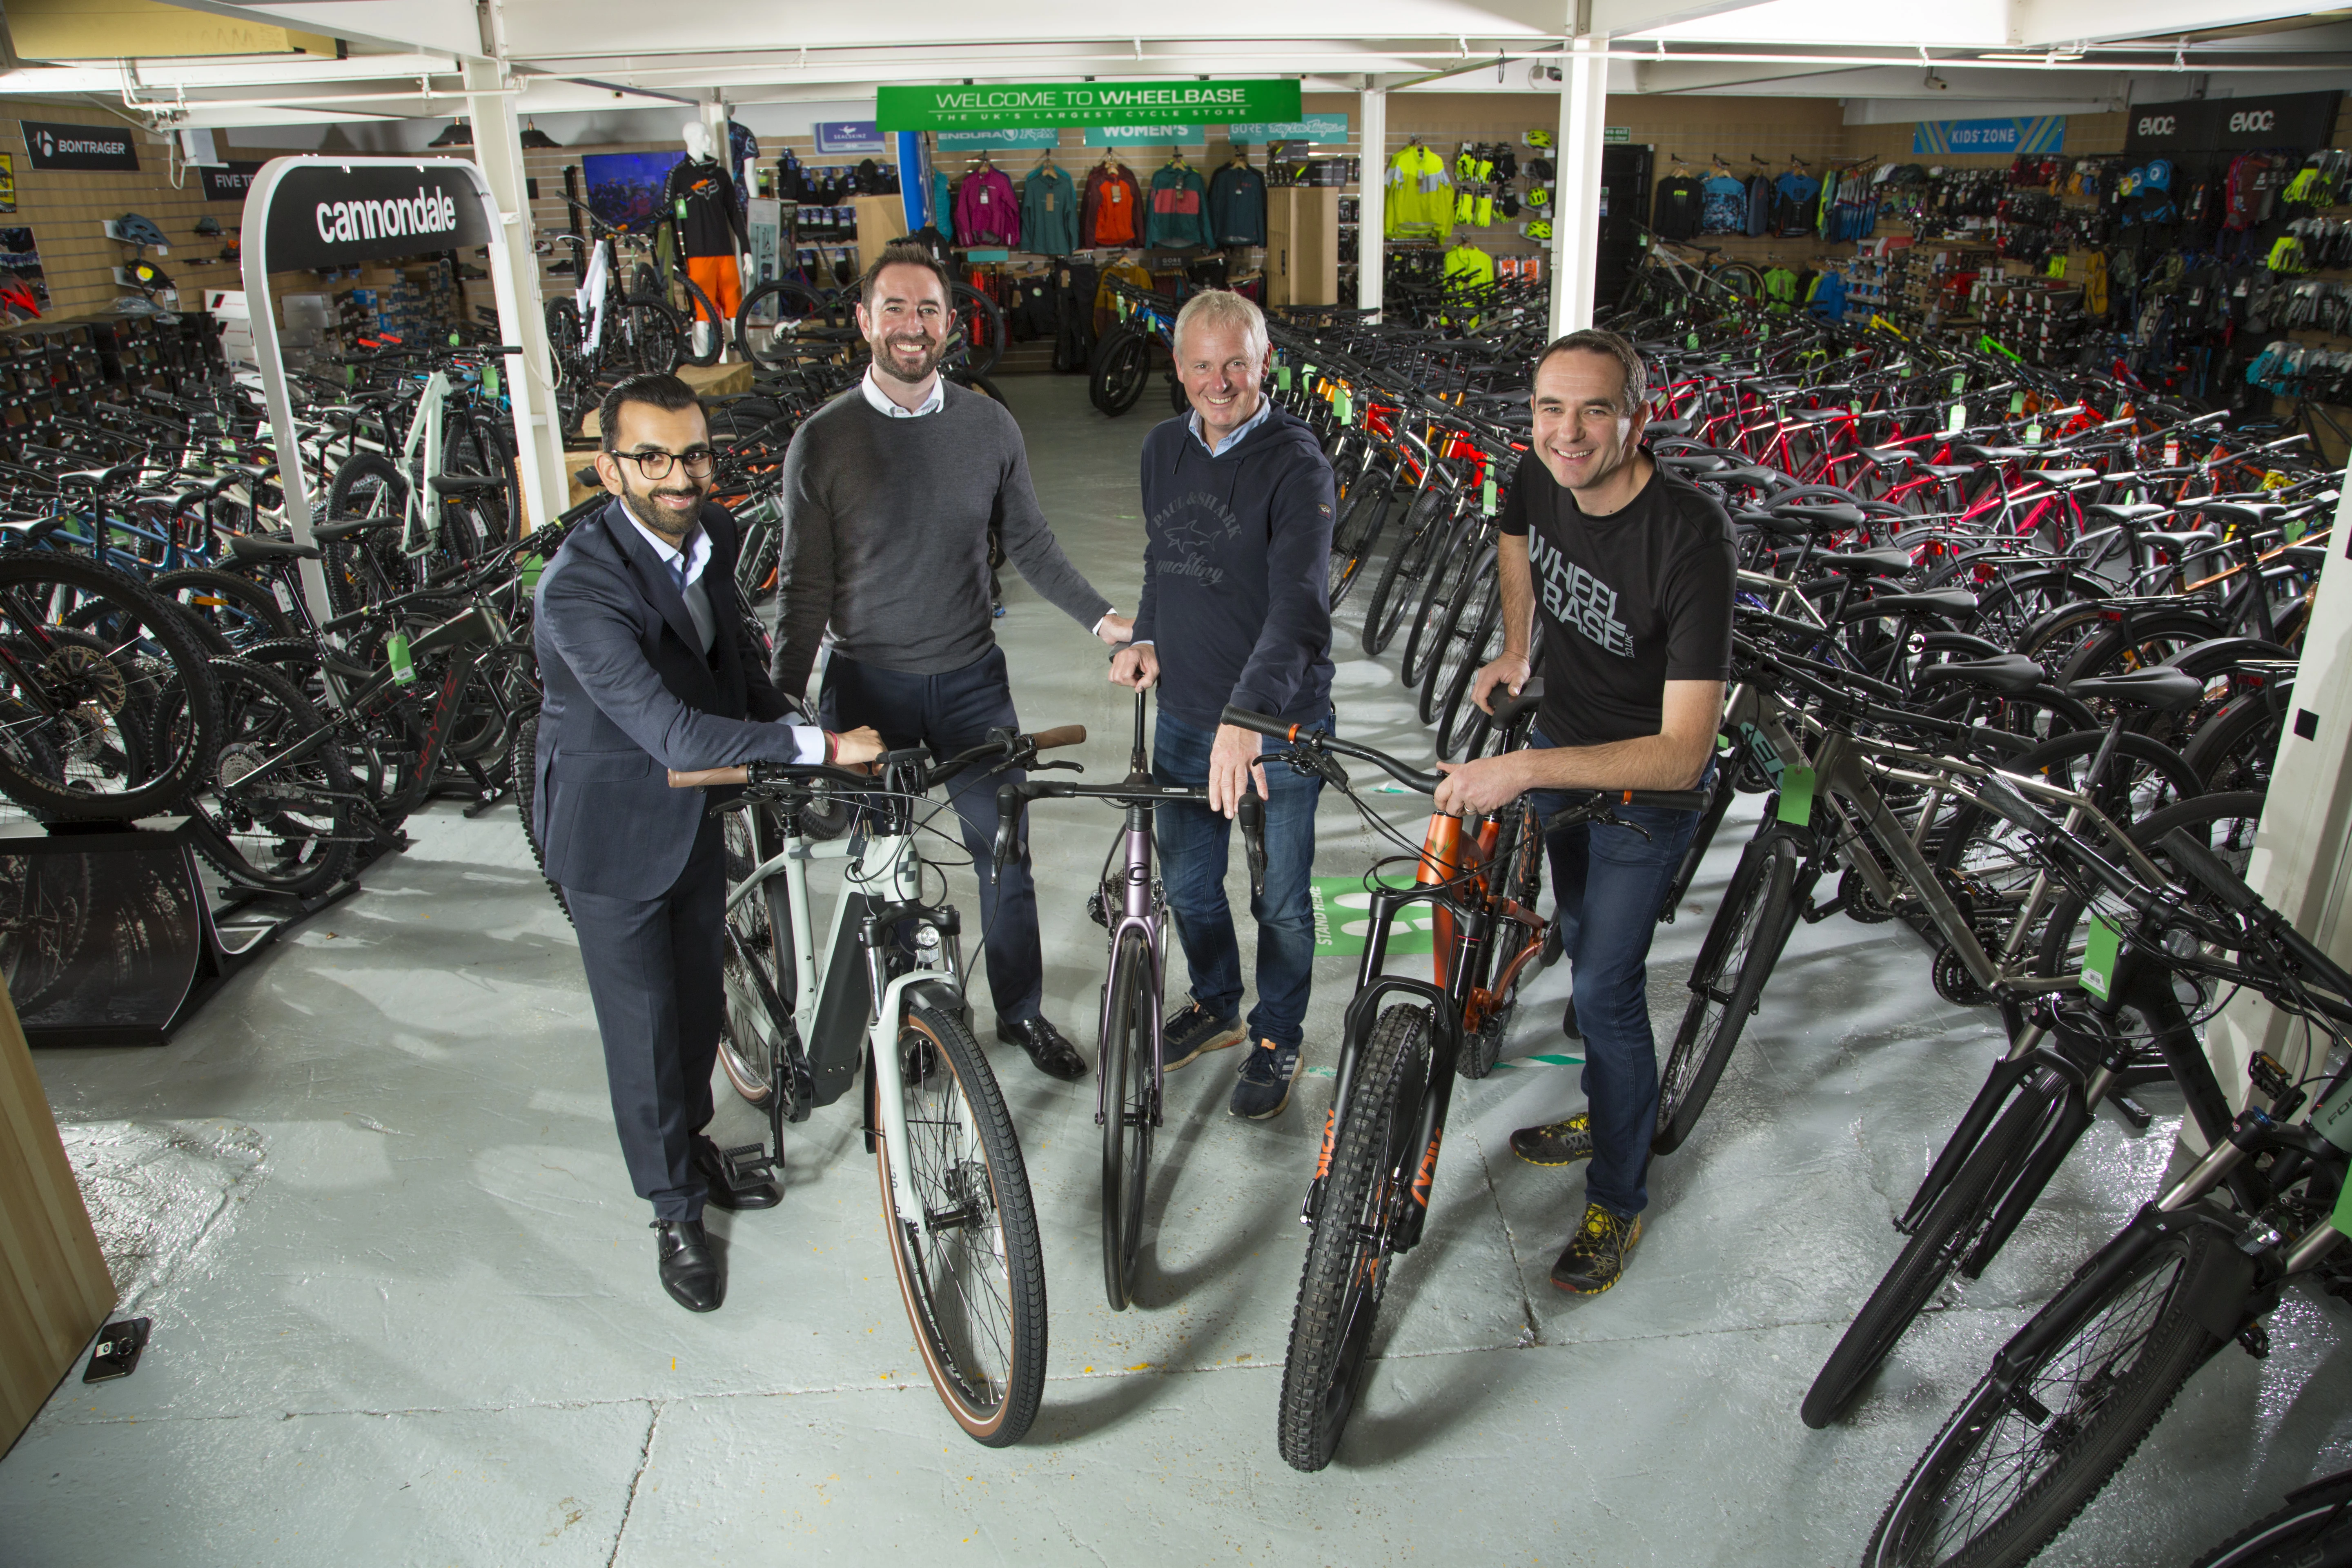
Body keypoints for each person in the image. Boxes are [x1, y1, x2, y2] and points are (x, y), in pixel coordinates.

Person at [534, 372, 884, 1315]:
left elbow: (729, 666)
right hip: (614, 828)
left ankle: (690, 1150)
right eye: (650, 457)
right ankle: (672, 1209)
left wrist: (796, 725)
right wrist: (822, 745)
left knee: (693, 1004)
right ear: (608, 469)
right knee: (644, 1033)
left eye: (692, 453)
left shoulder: (713, 533)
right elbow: (679, 735)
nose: (678, 476)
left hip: (692, 816)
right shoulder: (579, 591)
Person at [773, 241, 1131, 1083]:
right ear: (863, 321)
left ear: (951, 324)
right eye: (893, 308)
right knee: (887, 864)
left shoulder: (988, 425)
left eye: (927, 309)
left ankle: (1022, 1011)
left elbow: (1032, 544)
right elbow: (804, 590)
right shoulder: (821, 443)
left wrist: (1105, 620)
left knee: (1004, 850)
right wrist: (782, 703)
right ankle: (912, 1020)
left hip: (971, 680)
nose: (911, 325)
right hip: (866, 686)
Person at [1437, 328, 1733, 1295]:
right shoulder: (1539, 474)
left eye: (1594, 410)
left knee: (1607, 986)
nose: (1567, 433)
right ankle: (1613, 1100)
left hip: (1647, 795)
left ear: (1638, 420)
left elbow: (1686, 754)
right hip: (1565, 752)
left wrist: (1525, 768)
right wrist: (1520, 650)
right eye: (1550, 409)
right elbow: (1513, 537)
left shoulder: (1688, 539)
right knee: (1575, 935)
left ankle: (1620, 1192)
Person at [1110, 289, 1335, 1120]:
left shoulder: (1295, 463)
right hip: (1186, 715)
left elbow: (1301, 611)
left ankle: (1277, 1032)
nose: (1220, 380)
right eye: (1202, 365)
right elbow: (1163, 559)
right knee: (1192, 885)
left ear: (1264, 361)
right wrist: (1146, 635)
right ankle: (1217, 1002)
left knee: (1280, 899)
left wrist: (1248, 721)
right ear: (1178, 368)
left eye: (1236, 362)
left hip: (1279, 724)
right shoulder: (1161, 449)